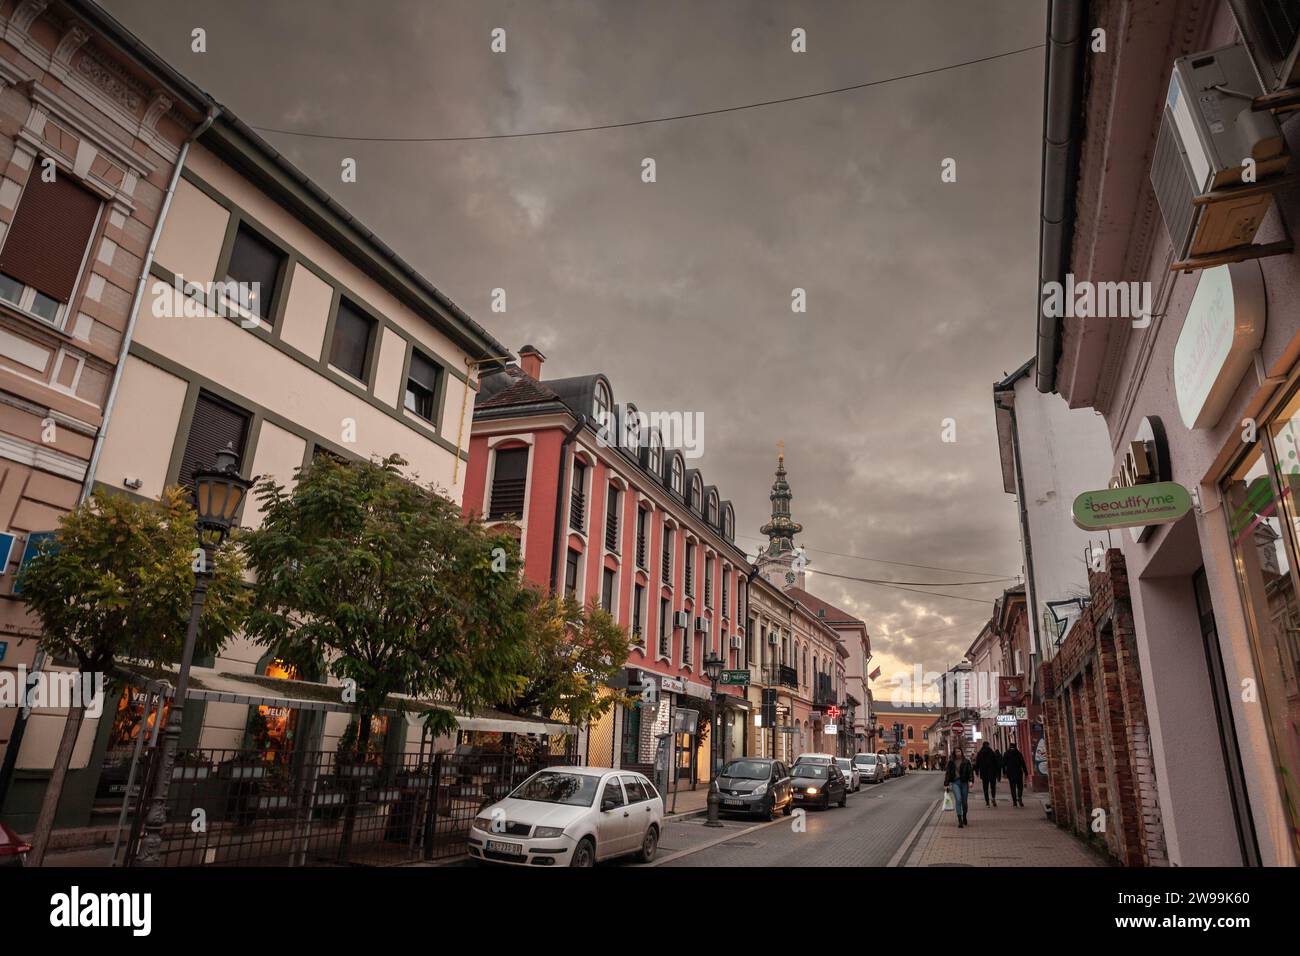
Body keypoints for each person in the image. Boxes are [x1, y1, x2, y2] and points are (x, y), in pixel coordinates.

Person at [944, 748, 974, 826]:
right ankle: (959, 819)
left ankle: (964, 816)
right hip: (955, 782)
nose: (958, 753)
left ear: (961, 752)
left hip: (964, 782)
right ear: (954, 753)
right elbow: (948, 773)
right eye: (956, 752)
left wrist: (971, 781)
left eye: (959, 751)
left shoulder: (966, 761)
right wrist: (946, 784)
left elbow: (970, 771)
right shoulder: (951, 762)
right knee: (958, 799)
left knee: (964, 802)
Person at [1003, 741, 1029, 807]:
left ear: (1009, 746)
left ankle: (1014, 802)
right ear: (1015, 746)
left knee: (1012, 787)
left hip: (1010, 773)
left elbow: (1004, 764)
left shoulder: (1006, 753)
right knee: (1020, 786)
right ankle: (1019, 797)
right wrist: (1026, 772)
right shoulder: (1018, 753)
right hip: (1018, 772)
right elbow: (1023, 763)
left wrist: (1004, 772)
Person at [975, 740, 1001, 807]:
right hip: (992, 773)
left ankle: (987, 802)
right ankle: (993, 797)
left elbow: (977, 763)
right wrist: (998, 772)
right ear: (988, 745)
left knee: (985, 788)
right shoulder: (992, 752)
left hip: (984, 773)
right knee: (993, 787)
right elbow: (996, 763)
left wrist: (977, 771)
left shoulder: (980, 753)